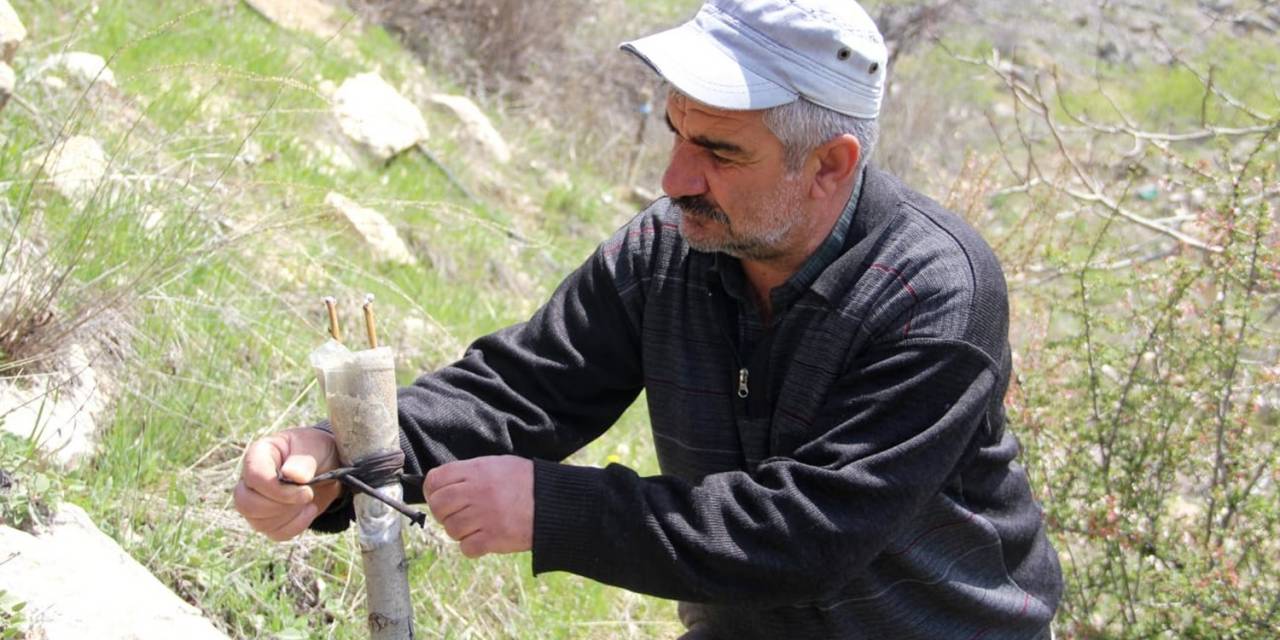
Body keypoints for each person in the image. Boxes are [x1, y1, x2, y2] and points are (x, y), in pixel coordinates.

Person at [235, 0, 1064, 637]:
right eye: (675, 132)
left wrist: (555, 511)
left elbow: (808, 533)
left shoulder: (934, 294)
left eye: (719, 150)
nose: (674, 177)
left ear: (829, 165)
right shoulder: (671, 249)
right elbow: (522, 392)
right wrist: (339, 461)